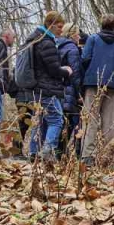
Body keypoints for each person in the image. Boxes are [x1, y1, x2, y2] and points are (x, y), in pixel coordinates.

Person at [79, 14, 114, 164]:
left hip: (93, 82)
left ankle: (88, 155)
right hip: (113, 86)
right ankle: (108, 156)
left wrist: (86, 78)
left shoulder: (93, 39)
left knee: (91, 120)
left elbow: (85, 59)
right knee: (109, 123)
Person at [23, 12, 73, 160]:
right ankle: (47, 152)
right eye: (58, 27)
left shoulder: (35, 39)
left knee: (40, 120)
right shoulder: (46, 42)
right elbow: (53, 69)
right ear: (50, 25)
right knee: (56, 120)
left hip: (36, 88)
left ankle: (33, 152)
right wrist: (66, 71)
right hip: (46, 88)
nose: (61, 30)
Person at [55, 24, 84, 158]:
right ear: (72, 34)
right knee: (74, 123)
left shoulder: (56, 46)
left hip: (58, 89)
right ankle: (74, 155)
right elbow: (76, 73)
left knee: (61, 123)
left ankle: (58, 153)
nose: (79, 37)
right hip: (71, 91)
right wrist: (79, 94)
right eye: (77, 34)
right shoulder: (72, 49)